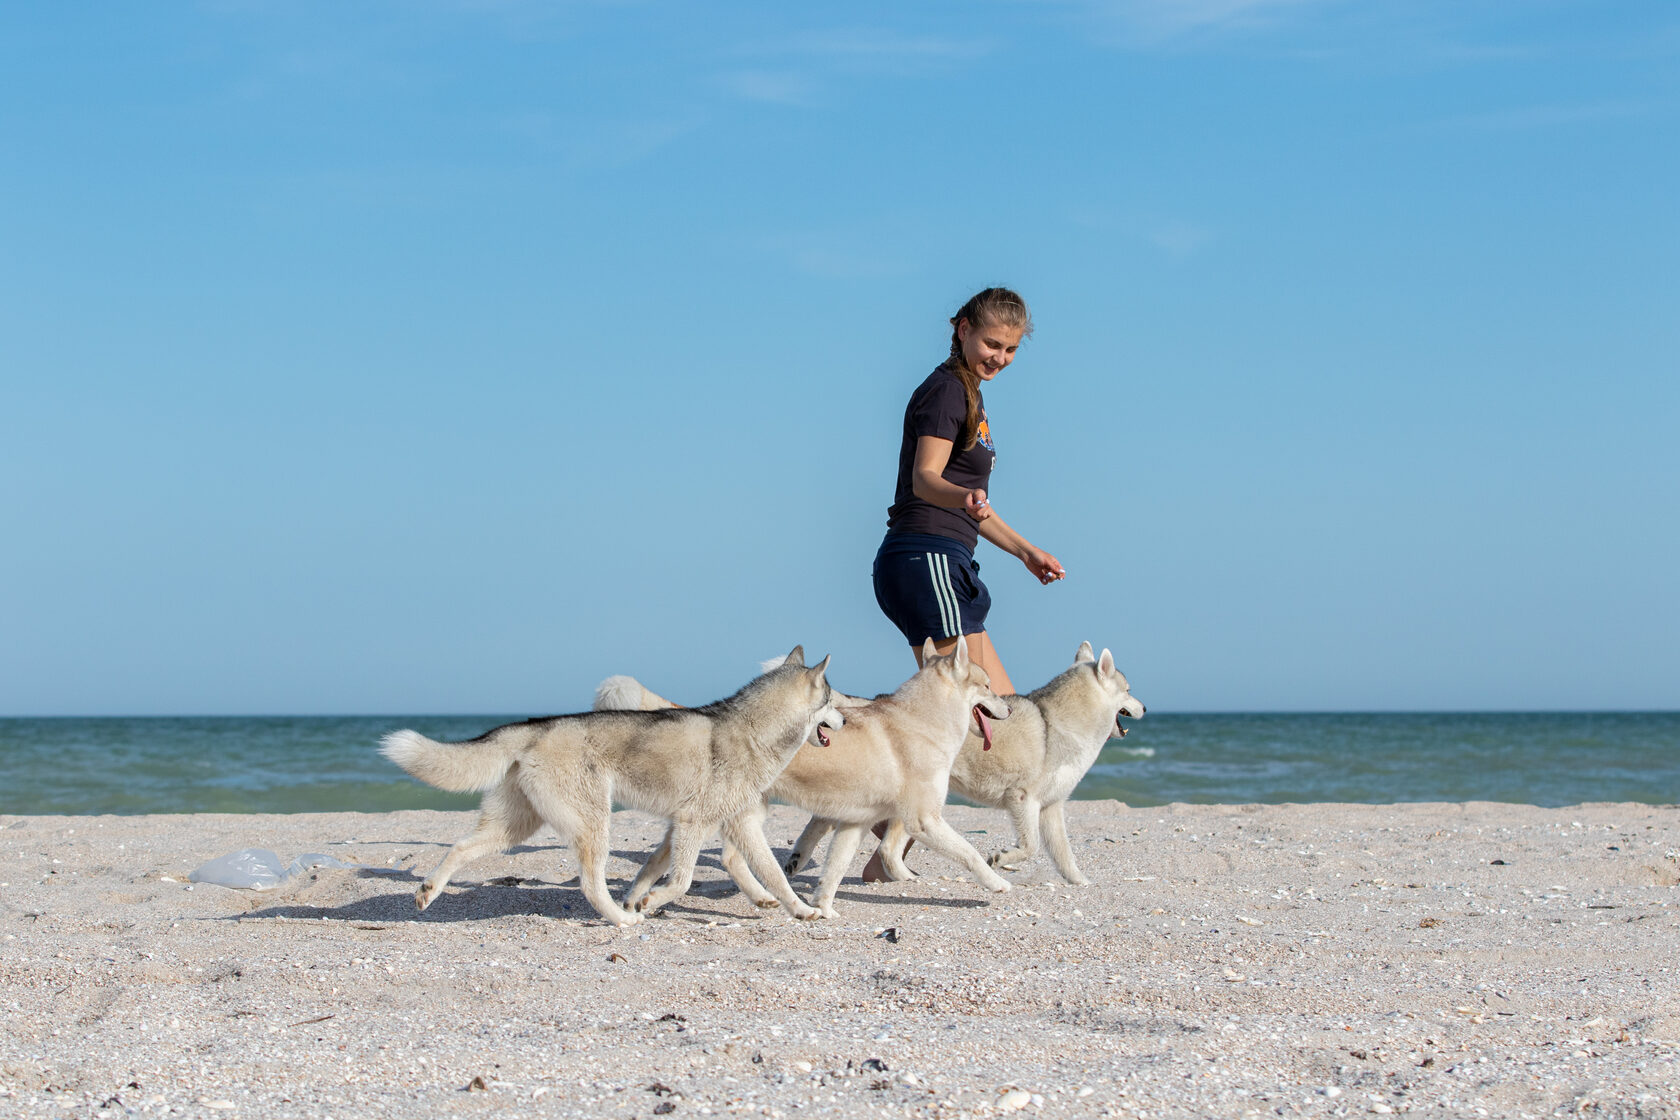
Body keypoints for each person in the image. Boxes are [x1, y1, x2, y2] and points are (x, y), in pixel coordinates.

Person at [861, 287, 1065, 880]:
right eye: (991, 343)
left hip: (950, 562)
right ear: (961, 328)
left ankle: (881, 849)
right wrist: (965, 497)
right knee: (966, 727)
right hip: (923, 556)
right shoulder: (947, 391)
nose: (999, 356)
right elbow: (928, 481)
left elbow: (974, 505)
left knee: (1000, 721)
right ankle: (876, 821)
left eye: (1010, 349)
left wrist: (1025, 550)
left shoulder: (971, 396)